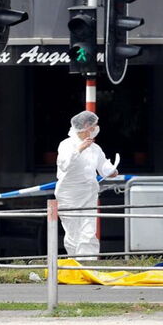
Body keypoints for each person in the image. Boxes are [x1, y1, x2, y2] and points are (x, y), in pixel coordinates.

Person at [54, 110, 118, 259]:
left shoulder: (95, 148)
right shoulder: (67, 144)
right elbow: (64, 164)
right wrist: (79, 149)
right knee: (73, 232)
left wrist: (111, 171)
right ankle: (75, 265)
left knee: (88, 231)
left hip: (89, 193)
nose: (96, 129)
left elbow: (103, 166)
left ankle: (88, 264)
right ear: (85, 126)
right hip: (69, 195)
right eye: (94, 126)